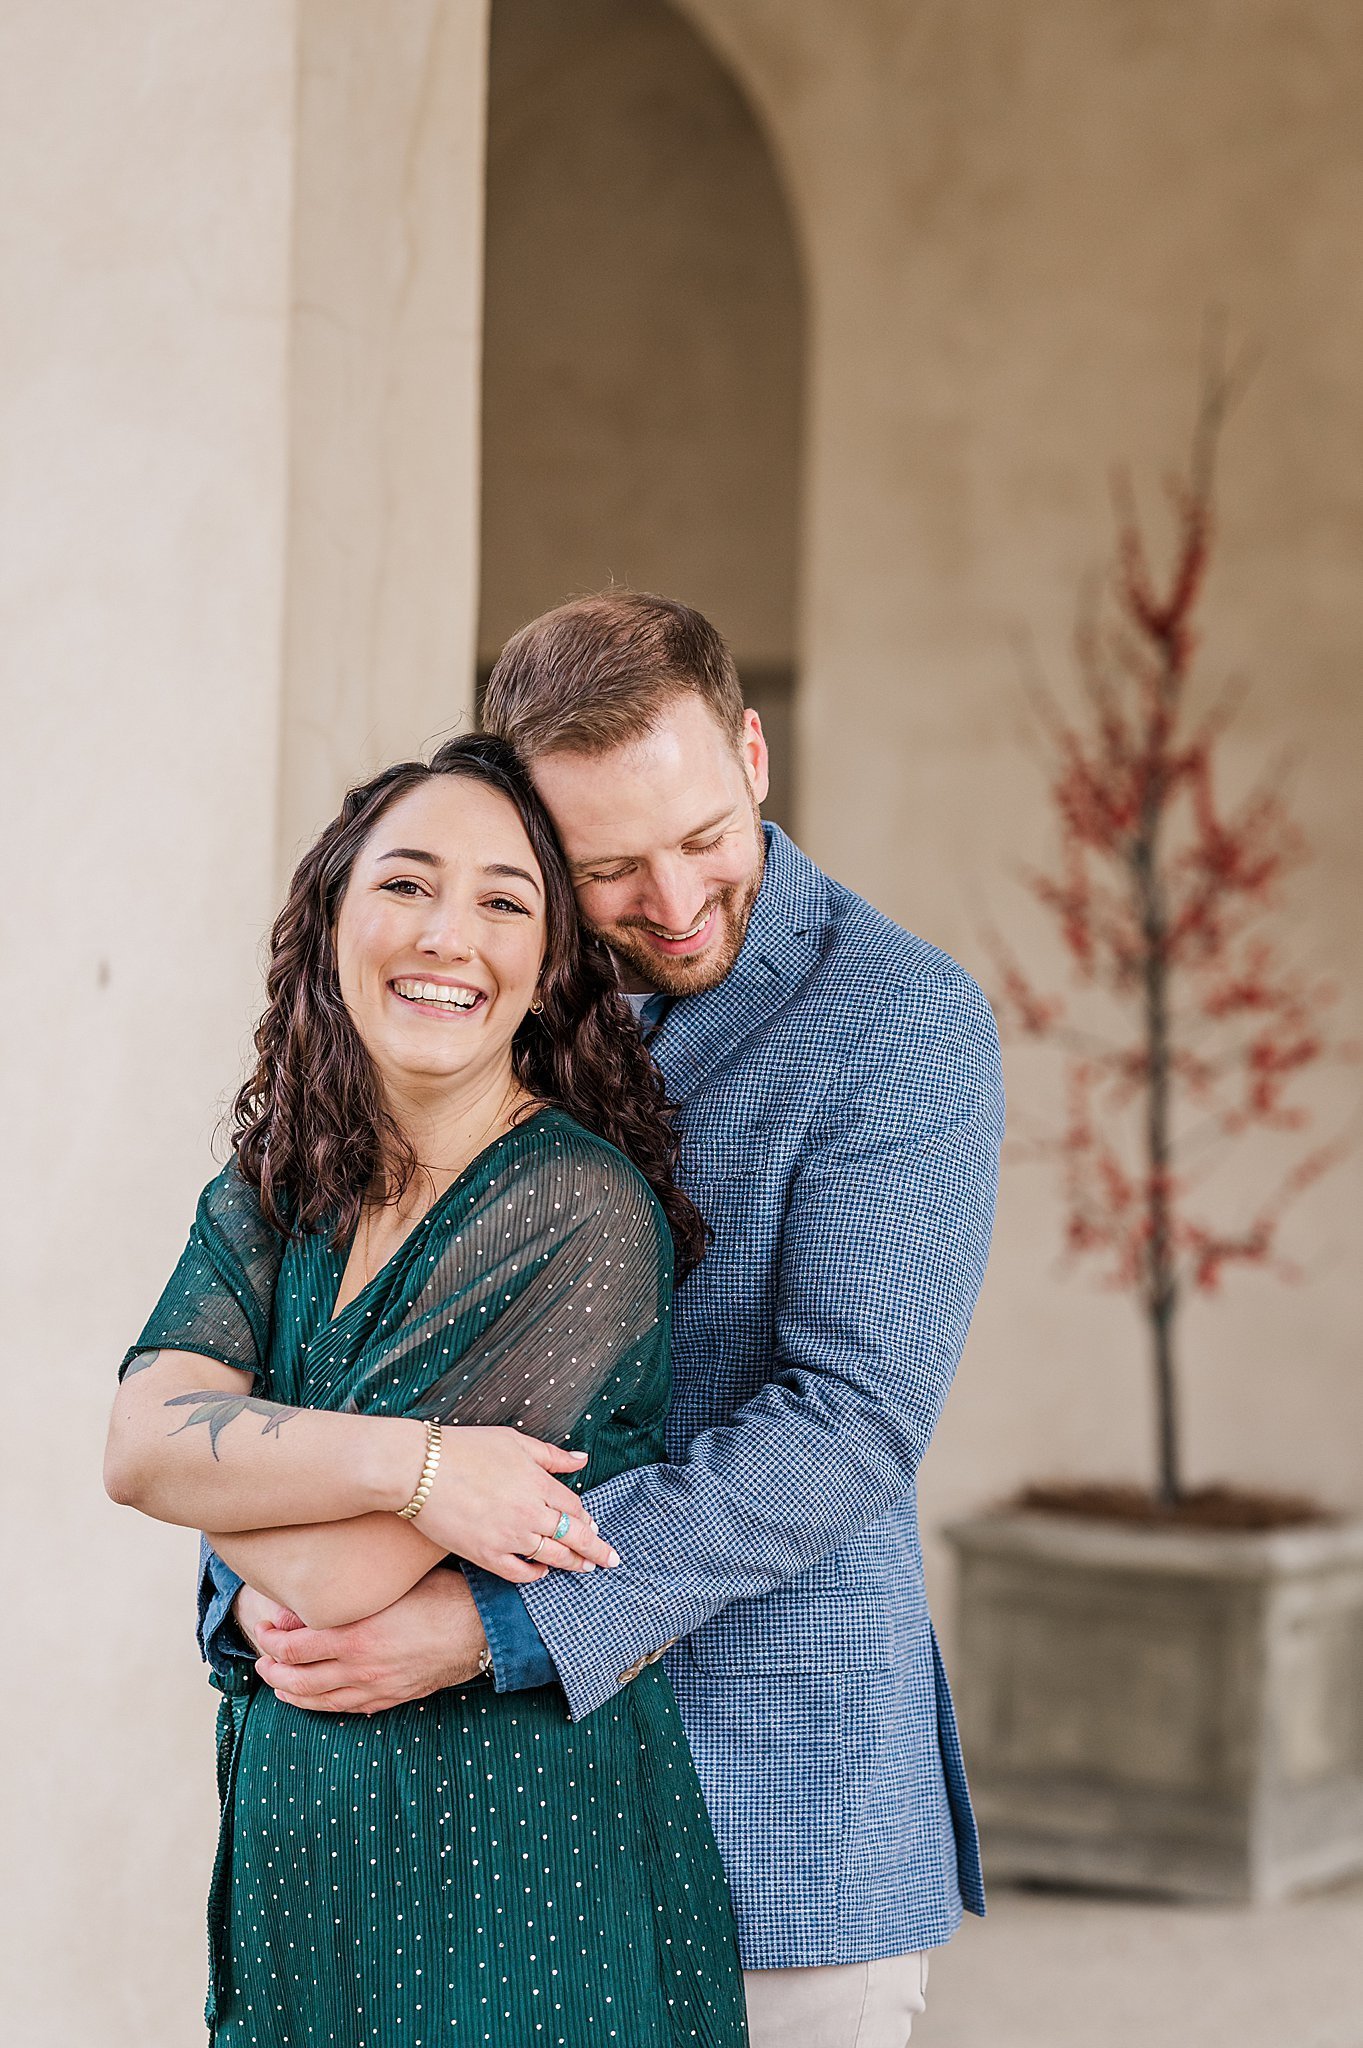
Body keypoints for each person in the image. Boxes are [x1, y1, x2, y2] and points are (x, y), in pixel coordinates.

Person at [200, 593, 1005, 2048]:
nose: (681, 905)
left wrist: (495, 1624)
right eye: (613, 871)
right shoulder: (475, 1003)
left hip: (765, 1808)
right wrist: (263, 1580)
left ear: (754, 754)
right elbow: (321, 1328)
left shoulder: (901, 1020)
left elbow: (851, 1425)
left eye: (706, 838)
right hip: (450, 1827)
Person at [104, 734, 750, 2047]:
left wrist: (229, 1463)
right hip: (308, 1893)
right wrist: (426, 1471)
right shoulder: (281, 1181)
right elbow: (132, 1446)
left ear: (550, 969)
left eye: (505, 901)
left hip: (517, 1892)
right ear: (334, 917)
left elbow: (330, 1579)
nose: (449, 934)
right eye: (406, 884)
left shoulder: (581, 1213)